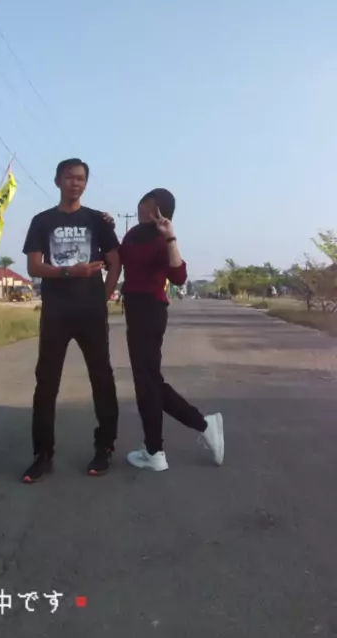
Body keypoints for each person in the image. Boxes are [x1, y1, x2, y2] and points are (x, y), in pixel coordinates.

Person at [21, 158, 121, 483]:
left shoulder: (98, 220)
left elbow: (115, 262)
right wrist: (69, 271)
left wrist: (103, 297)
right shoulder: (42, 221)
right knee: (46, 383)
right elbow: (34, 267)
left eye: (80, 178)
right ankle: (42, 454)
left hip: (91, 313)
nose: (74, 183)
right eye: (68, 177)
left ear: (86, 183)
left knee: (102, 379)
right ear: (57, 181)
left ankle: (104, 448)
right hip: (56, 313)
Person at [120, 188, 224, 472]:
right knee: (149, 382)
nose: (144, 209)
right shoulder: (132, 235)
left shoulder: (161, 238)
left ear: (163, 213)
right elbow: (117, 258)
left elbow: (178, 276)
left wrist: (170, 237)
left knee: (148, 382)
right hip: (134, 310)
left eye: (152, 206)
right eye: (143, 202)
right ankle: (160, 447)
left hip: (151, 311)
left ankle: (163, 447)